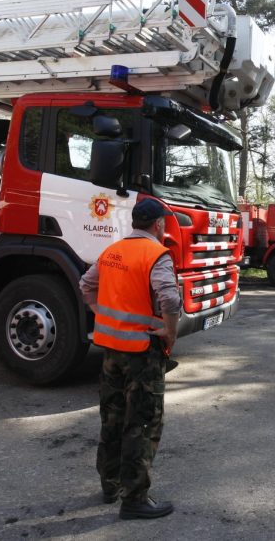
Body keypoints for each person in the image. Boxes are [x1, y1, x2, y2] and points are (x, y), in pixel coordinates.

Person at [79, 198, 181, 519]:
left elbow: (86, 285)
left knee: (112, 417)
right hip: (142, 355)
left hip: (111, 354)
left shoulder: (112, 252)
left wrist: (102, 316)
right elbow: (168, 297)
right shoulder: (156, 255)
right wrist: (170, 332)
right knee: (142, 422)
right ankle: (135, 498)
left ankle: (110, 485)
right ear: (158, 225)